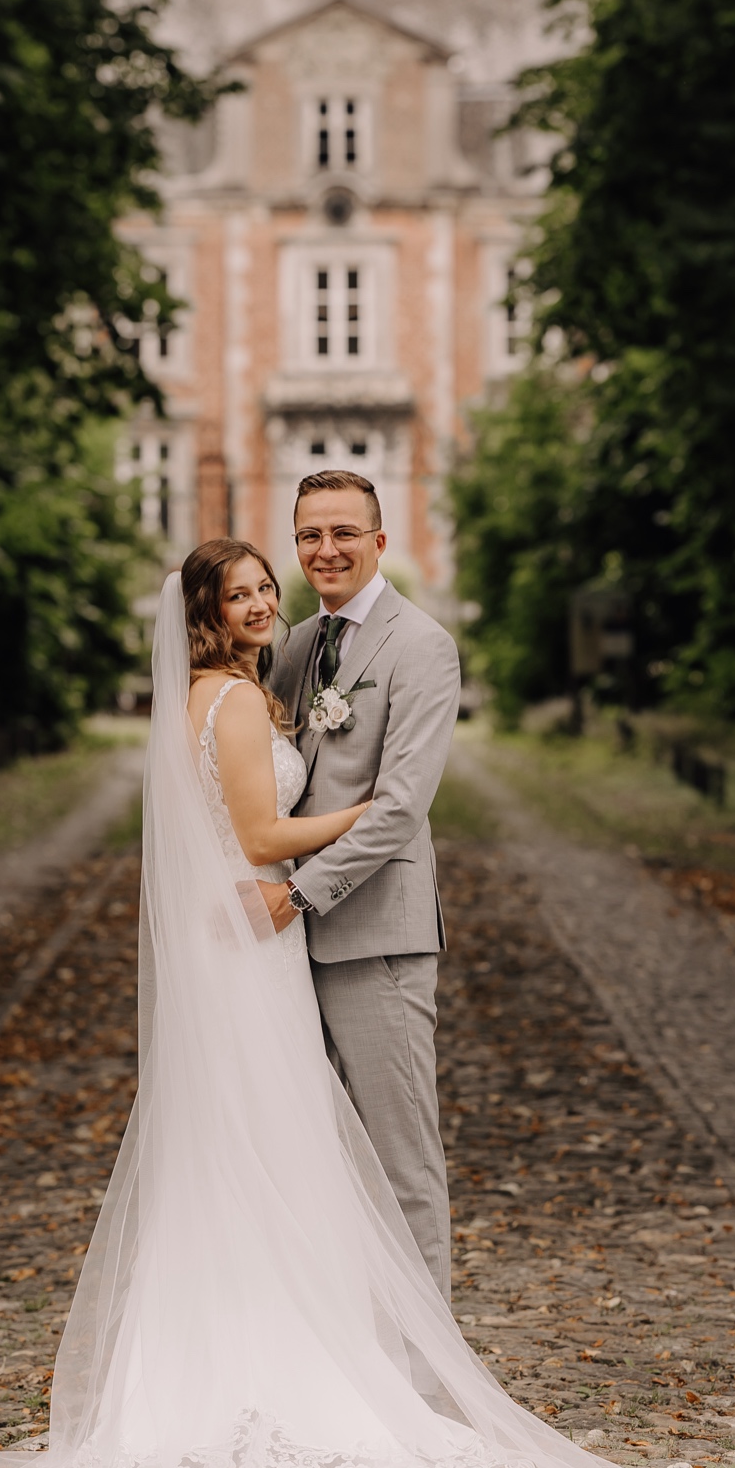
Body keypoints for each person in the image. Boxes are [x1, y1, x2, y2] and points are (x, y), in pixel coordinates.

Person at [0, 538, 663, 1468]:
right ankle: (296, 1375)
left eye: (267, 585)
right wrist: (380, 814)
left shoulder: (246, 685)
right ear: (206, 612)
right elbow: (264, 838)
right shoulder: (228, 704)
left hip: (242, 942)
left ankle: (271, 1355)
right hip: (251, 939)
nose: (265, 599)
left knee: (258, 1147)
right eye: (241, 592)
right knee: (273, 1143)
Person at [263, 470, 461, 1300]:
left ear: (380, 540)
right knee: (318, 1161)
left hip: (376, 934)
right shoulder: (298, 646)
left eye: (344, 532)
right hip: (282, 951)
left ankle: (429, 1387)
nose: (326, 549)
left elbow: (400, 807)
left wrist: (302, 891)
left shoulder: (421, 645)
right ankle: (356, 1363)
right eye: (310, 534)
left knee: (401, 1160)